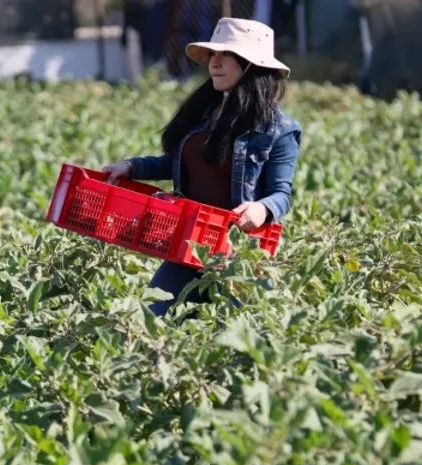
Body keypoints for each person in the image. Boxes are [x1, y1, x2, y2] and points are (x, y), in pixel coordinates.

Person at [102, 18, 302, 317]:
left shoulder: (278, 129)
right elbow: (179, 164)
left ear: (252, 65)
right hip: (188, 244)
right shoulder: (203, 112)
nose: (214, 62)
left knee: (246, 340)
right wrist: (131, 167)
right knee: (149, 324)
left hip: (238, 254)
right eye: (212, 54)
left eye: (226, 54)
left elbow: (281, 194)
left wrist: (262, 209)